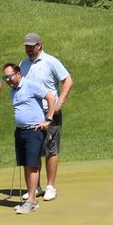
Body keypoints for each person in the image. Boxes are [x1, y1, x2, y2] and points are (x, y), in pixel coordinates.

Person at [18, 31, 73, 201]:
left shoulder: (50, 61)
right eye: (26, 46)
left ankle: (50, 186)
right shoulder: (23, 64)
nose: (28, 49)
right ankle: (37, 187)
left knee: (50, 148)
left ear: (39, 45)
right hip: (31, 114)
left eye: (31, 46)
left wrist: (59, 102)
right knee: (33, 150)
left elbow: (68, 80)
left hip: (49, 112)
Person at [0, 62, 60, 215]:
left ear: (18, 74)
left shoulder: (30, 85)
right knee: (26, 165)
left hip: (34, 131)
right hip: (20, 132)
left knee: (32, 165)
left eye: (9, 76)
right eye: (5, 77)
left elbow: (50, 97)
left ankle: (32, 200)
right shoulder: (13, 91)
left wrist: (48, 119)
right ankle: (31, 199)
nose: (7, 80)